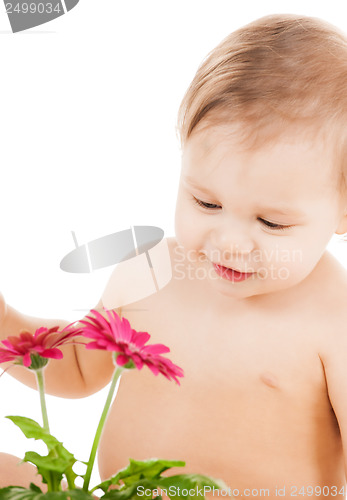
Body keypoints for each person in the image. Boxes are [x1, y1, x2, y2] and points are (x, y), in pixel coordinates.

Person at [1, 13, 347, 498]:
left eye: (271, 223)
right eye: (206, 203)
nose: (228, 242)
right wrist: (5, 321)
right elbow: (79, 365)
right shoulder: (151, 270)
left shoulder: (335, 317)